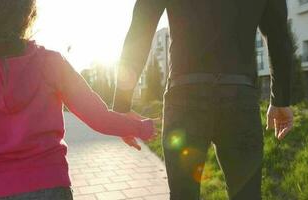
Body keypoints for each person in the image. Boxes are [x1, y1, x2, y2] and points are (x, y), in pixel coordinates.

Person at [0, 0, 155, 199]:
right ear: (27, 13)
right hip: (50, 184)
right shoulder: (51, 63)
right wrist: (140, 128)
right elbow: (98, 117)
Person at [114, 0, 294, 199]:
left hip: (184, 96)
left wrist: (122, 105)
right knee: (247, 195)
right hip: (239, 96)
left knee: (183, 195)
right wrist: (280, 100)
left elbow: (141, 28)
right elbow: (279, 35)